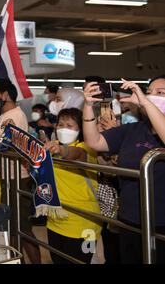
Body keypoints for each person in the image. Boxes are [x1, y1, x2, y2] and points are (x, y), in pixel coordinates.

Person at [84, 76, 165, 264]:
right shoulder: (134, 129)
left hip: (161, 223)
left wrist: (145, 102)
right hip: (129, 219)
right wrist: (88, 106)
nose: (152, 97)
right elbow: (94, 141)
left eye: (160, 93)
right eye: (149, 92)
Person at [0, 79, 41, 264]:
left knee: (22, 228)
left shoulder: (16, 115)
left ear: (5, 95)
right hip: (5, 176)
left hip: (16, 177)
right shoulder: (4, 115)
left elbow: (6, 143)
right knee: (11, 226)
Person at [44, 108, 101, 264]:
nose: (63, 128)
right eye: (60, 124)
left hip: (85, 224)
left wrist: (62, 150)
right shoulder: (52, 145)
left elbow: (77, 154)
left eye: (70, 125)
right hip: (55, 221)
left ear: (81, 129)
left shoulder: (88, 147)